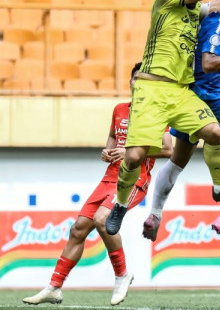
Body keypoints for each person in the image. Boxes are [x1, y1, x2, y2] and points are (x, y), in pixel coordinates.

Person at [105, 0, 220, 236]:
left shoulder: (193, 12)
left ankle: (218, 188)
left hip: (181, 91)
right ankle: (120, 204)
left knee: (213, 133)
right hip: (151, 89)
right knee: (134, 157)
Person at [22, 63, 172, 306]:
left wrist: (130, 153)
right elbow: (114, 136)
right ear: (131, 82)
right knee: (78, 229)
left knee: (103, 219)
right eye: (135, 79)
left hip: (134, 178)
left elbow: (168, 149)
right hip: (109, 177)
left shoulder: (156, 113)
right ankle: (54, 287)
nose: (138, 83)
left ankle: (123, 275)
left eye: (143, 80)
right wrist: (109, 149)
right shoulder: (120, 109)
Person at [141, 0, 220, 252]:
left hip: (191, 96)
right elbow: (208, 62)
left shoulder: (216, 19)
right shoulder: (219, 28)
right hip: (209, 97)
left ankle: (155, 214)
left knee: (178, 160)